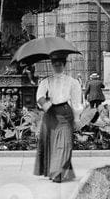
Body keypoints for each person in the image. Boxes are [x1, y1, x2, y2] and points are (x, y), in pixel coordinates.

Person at [34, 54, 83, 183]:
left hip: (65, 114)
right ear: (52, 66)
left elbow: (77, 101)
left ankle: (58, 173)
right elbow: (39, 96)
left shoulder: (72, 82)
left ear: (64, 65)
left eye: (60, 65)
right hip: (50, 114)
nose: (57, 67)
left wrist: (77, 119)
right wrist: (46, 104)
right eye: (55, 65)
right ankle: (57, 172)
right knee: (52, 143)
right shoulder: (46, 81)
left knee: (65, 143)